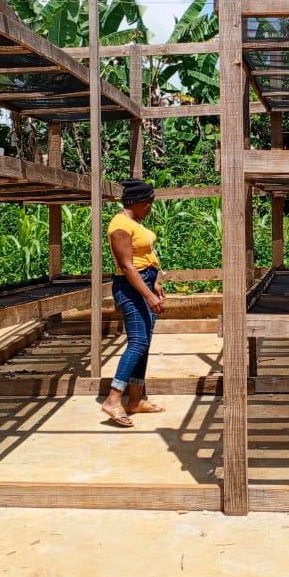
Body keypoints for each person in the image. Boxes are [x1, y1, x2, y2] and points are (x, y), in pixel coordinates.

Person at [100, 178, 166, 427]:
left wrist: (156, 282)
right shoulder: (119, 226)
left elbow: (147, 255)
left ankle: (135, 400)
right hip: (131, 287)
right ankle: (113, 399)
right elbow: (127, 266)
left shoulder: (134, 222)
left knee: (145, 342)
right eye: (148, 203)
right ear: (136, 202)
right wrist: (147, 295)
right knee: (137, 341)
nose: (150, 207)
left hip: (146, 281)